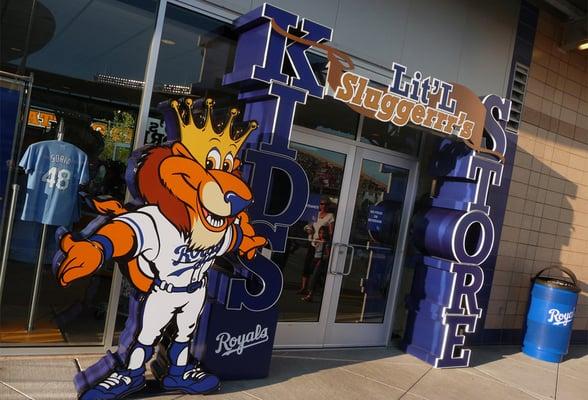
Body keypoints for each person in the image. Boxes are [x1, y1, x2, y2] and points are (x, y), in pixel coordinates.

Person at [298, 197, 334, 294]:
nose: (323, 206)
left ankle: (312, 290)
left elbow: (331, 232)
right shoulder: (315, 213)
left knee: (316, 268)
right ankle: (303, 287)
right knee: (307, 265)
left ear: (329, 206)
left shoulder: (330, 216)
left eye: (326, 204)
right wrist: (308, 230)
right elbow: (308, 226)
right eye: (322, 204)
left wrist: (326, 242)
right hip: (312, 243)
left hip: (321, 245)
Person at [302, 226, 330, 302]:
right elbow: (312, 244)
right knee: (313, 277)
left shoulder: (325, 242)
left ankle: (310, 295)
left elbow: (328, 254)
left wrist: (321, 259)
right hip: (315, 259)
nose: (321, 234)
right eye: (320, 233)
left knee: (314, 278)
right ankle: (313, 292)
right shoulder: (318, 240)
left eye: (323, 233)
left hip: (320, 260)